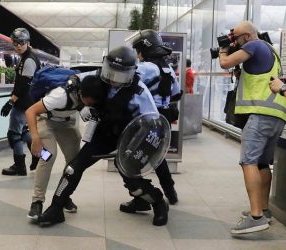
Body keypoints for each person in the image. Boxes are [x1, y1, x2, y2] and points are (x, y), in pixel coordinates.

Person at [37, 46, 169, 227]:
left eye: (120, 74)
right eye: (111, 72)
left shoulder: (140, 91)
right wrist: (81, 107)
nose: (113, 79)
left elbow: (153, 123)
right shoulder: (99, 75)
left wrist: (139, 148)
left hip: (132, 138)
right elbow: (74, 81)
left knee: (132, 179)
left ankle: (158, 203)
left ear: (130, 73)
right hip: (104, 134)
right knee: (73, 168)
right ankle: (56, 208)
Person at [218, 20, 286, 234]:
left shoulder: (254, 45)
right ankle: (265, 210)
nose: (235, 43)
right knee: (261, 163)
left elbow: (225, 63)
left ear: (247, 36)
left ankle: (256, 216)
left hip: (261, 114)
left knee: (248, 161)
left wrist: (223, 50)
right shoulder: (270, 50)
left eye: (237, 39)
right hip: (277, 114)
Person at [25, 74, 107, 219]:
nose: (89, 105)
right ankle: (37, 201)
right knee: (48, 156)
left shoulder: (93, 90)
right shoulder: (60, 95)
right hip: (45, 120)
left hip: (66, 122)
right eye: (88, 102)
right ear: (81, 93)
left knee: (75, 161)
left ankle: (63, 195)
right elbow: (30, 111)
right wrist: (35, 138)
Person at [120, 29, 181, 214]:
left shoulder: (147, 68)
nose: (137, 55)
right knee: (157, 156)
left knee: (131, 159)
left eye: (138, 51)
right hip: (162, 120)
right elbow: (176, 94)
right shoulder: (167, 68)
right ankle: (170, 192)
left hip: (145, 119)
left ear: (143, 51)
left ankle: (142, 199)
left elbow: (124, 78)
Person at [0, 28, 41, 176]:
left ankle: (20, 167)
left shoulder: (29, 59)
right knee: (24, 132)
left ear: (28, 42)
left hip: (23, 103)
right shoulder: (26, 57)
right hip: (28, 102)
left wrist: (11, 102)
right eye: (15, 42)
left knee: (13, 134)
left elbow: (24, 84)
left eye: (21, 42)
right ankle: (43, 156)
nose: (18, 46)